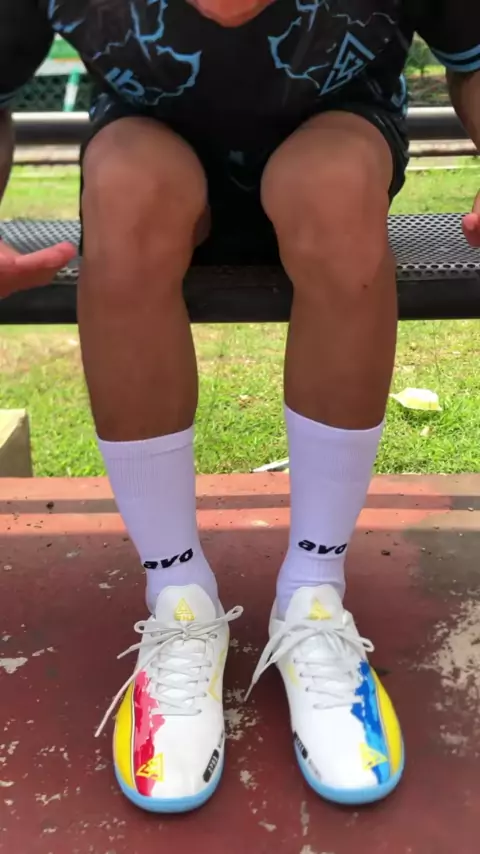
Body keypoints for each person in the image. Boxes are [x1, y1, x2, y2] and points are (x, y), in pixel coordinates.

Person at [1, 0, 479, 815]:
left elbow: (471, 58)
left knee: (334, 186)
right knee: (125, 187)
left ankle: (314, 595)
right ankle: (178, 600)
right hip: (152, 153)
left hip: (334, 141)